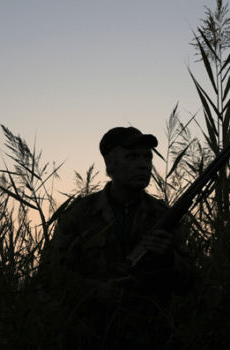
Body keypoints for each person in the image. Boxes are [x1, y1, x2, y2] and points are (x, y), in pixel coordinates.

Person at [38, 126, 196, 349]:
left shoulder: (163, 215)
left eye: (147, 157)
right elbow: (49, 277)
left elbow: (188, 283)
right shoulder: (80, 213)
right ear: (110, 164)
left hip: (151, 338)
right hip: (90, 339)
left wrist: (169, 258)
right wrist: (95, 291)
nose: (144, 163)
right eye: (132, 156)